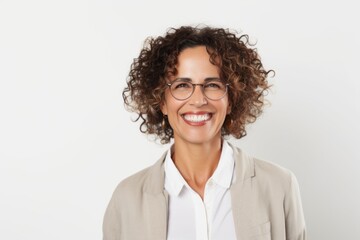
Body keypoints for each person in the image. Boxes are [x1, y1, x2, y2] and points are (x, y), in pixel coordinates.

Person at [103, 25, 306, 240]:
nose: (198, 100)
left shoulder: (279, 185)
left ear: (231, 100)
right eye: (182, 85)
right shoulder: (127, 199)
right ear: (161, 101)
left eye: (212, 85)